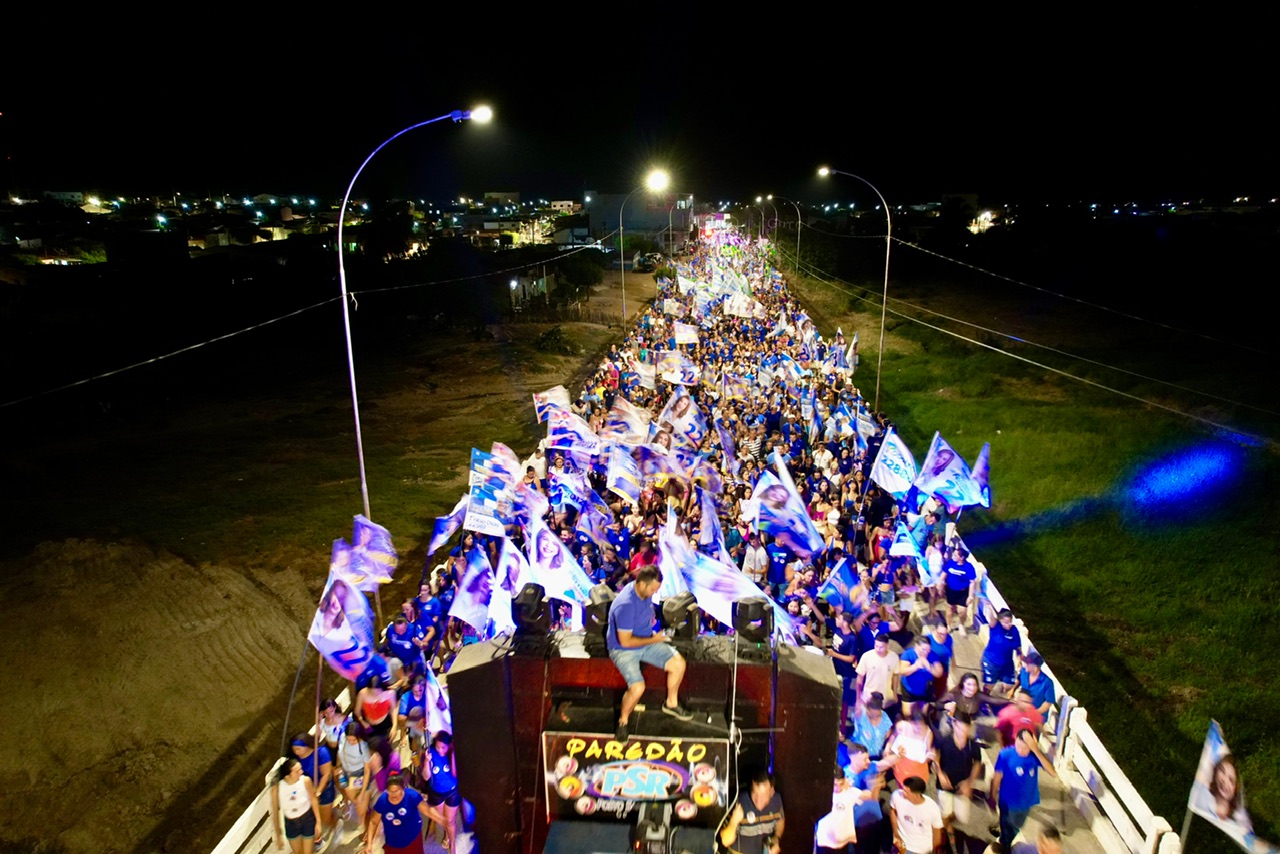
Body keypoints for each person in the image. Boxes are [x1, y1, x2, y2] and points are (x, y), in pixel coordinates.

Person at [607, 565, 693, 740]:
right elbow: (626, 641)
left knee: (678, 663)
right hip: (623, 649)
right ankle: (623, 721)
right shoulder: (625, 605)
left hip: (645, 639)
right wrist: (654, 640)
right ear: (642, 584)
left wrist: (654, 634)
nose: (654, 593)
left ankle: (671, 703)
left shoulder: (644, 593)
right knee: (638, 687)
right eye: (653, 589)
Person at [991, 730, 1058, 852]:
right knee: (1007, 834)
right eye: (1019, 746)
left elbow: (1052, 772)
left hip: (1026, 804)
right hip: (1007, 803)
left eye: (1025, 748)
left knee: (1015, 829)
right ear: (1015, 739)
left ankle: (1001, 843)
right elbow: (997, 777)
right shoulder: (1005, 755)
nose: (1021, 751)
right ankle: (1001, 847)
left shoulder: (1034, 756)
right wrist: (993, 795)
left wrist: (1036, 750)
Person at [933, 711, 983, 851]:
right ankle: (944, 832)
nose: (962, 732)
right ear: (954, 725)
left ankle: (949, 824)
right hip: (944, 785)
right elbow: (935, 755)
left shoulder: (973, 745)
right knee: (945, 812)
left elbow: (977, 763)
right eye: (960, 728)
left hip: (963, 788)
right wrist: (940, 773)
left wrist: (969, 783)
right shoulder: (944, 741)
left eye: (965, 729)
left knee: (962, 817)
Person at [364, 773, 448, 854]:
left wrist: (442, 819)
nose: (394, 794)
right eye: (391, 791)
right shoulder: (382, 801)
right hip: (393, 843)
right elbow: (373, 822)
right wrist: (369, 844)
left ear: (403, 788)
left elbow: (427, 810)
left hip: (412, 840)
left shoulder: (412, 796)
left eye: (396, 791)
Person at [290, 735, 339, 848]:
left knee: (325, 820)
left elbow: (326, 775)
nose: (297, 752)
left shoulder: (321, 753)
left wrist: (318, 792)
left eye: (299, 748)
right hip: (308, 791)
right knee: (313, 819)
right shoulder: (296, 760)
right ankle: (318, 840)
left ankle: (336, 824)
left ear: (306, 745)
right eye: (294, 750)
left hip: (324, 789)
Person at [720, 770, 784, 854]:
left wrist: (776, 838)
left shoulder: (777, 800)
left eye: (763, 796)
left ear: (772, 792)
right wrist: (734, 821)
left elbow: (780, 821)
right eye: (755, 794)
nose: (758, 800)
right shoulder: (739, 802)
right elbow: (726, 841)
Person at [272, 758, 322, 854]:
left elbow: (313, 800)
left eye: (301, 769)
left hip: (307, 819)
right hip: (291, 823)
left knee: (308, 852)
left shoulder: (305, 781)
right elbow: (275, 812)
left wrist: (318, 822)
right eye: (297, 771)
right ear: (287, 775)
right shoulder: (277, 789)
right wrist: (278, 835)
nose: (301, 772)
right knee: (298, 852)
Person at [424, 732, 460, 853]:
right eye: (438, 747)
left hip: (452, 791)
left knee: (450, 820)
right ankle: (447, 834)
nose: (440, 750)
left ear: (449, 746)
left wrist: (453, 755)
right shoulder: (430, 752)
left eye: (443, 747)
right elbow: (426, 777)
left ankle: (453, 844)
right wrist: (426, 762)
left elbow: (455, 774)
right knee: (443, 820)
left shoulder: (452, 753)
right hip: (436, 792)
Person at [889, 776, 943, 854]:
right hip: (901, 845)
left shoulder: (932, 808)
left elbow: (937, 833)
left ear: (916, 795)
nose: (902, 792)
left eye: (906, 791)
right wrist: (895, 833)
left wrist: (934, 850)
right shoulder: (897, 796)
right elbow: (893, 811)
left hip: (921, 850)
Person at [815, 764, 859, 854]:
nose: (838, 788)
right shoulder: (821, 795)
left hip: (844, 842)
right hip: (825, 842)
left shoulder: (849, 792)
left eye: (841, 784)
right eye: (835, 785)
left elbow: (867, 796)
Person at [983, 608, 1023, 696]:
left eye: (1010, 622)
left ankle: (997, 691)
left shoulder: (1014, 630)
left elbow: (1018, 646)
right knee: (989, 685)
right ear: (1000, 621)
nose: (1008, 625)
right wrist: (988, 605)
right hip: (992, 661)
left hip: (1007, 662)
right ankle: (984, 698)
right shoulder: (995, 627)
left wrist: (1020, 659)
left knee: (1009, 685)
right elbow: (992, 618)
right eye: (1005, 622)